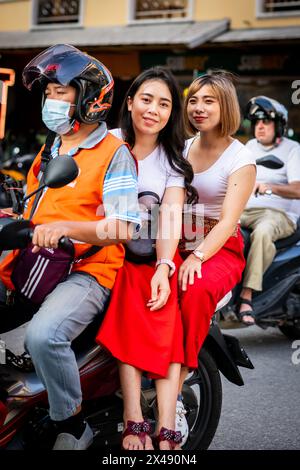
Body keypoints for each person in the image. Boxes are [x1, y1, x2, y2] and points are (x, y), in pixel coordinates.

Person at [0, 44, 140, 450]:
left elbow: (123, 226)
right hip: (38, 262)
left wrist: (65, 227)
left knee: (44, 336)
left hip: (89, 271)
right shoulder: (51, 148)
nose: (51, 100)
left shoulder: (115, 155)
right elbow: (30, 204)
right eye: (48, 93)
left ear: (88, 98)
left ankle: (72, 423)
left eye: (60, 92)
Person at [96, 67, 197, 450]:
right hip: (106, 254)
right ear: (130, 102)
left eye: (164, 103)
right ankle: (133, 416)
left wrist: (164, 266)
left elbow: (170, 217)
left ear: (171, 114)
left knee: (164, 300)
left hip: (149, 258)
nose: (153, 109)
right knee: (128, 291)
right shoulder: (107, 142)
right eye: (147, 99)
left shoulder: (171, 160)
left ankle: (165, 422)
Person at [177, 71, 256, 397]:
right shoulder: (183, 147)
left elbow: (227, 221)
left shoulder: (241, 158)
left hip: (219, 246)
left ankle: (178, 376)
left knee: (194, 289)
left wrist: (198, 255)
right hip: (176, 234)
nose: (199, 107)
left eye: (208, 101)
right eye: (193, 100)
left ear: (225, 106)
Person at [238, 96, 300, 325]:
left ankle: (247, 295)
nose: (260, 126)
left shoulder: (293, 150)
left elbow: (298, 189)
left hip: (279, 216)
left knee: (262, 232)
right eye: (256, 122)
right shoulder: (249, 147)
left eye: (266, 121)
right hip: (247, 210)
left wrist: (269, 187)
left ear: (279, 125)